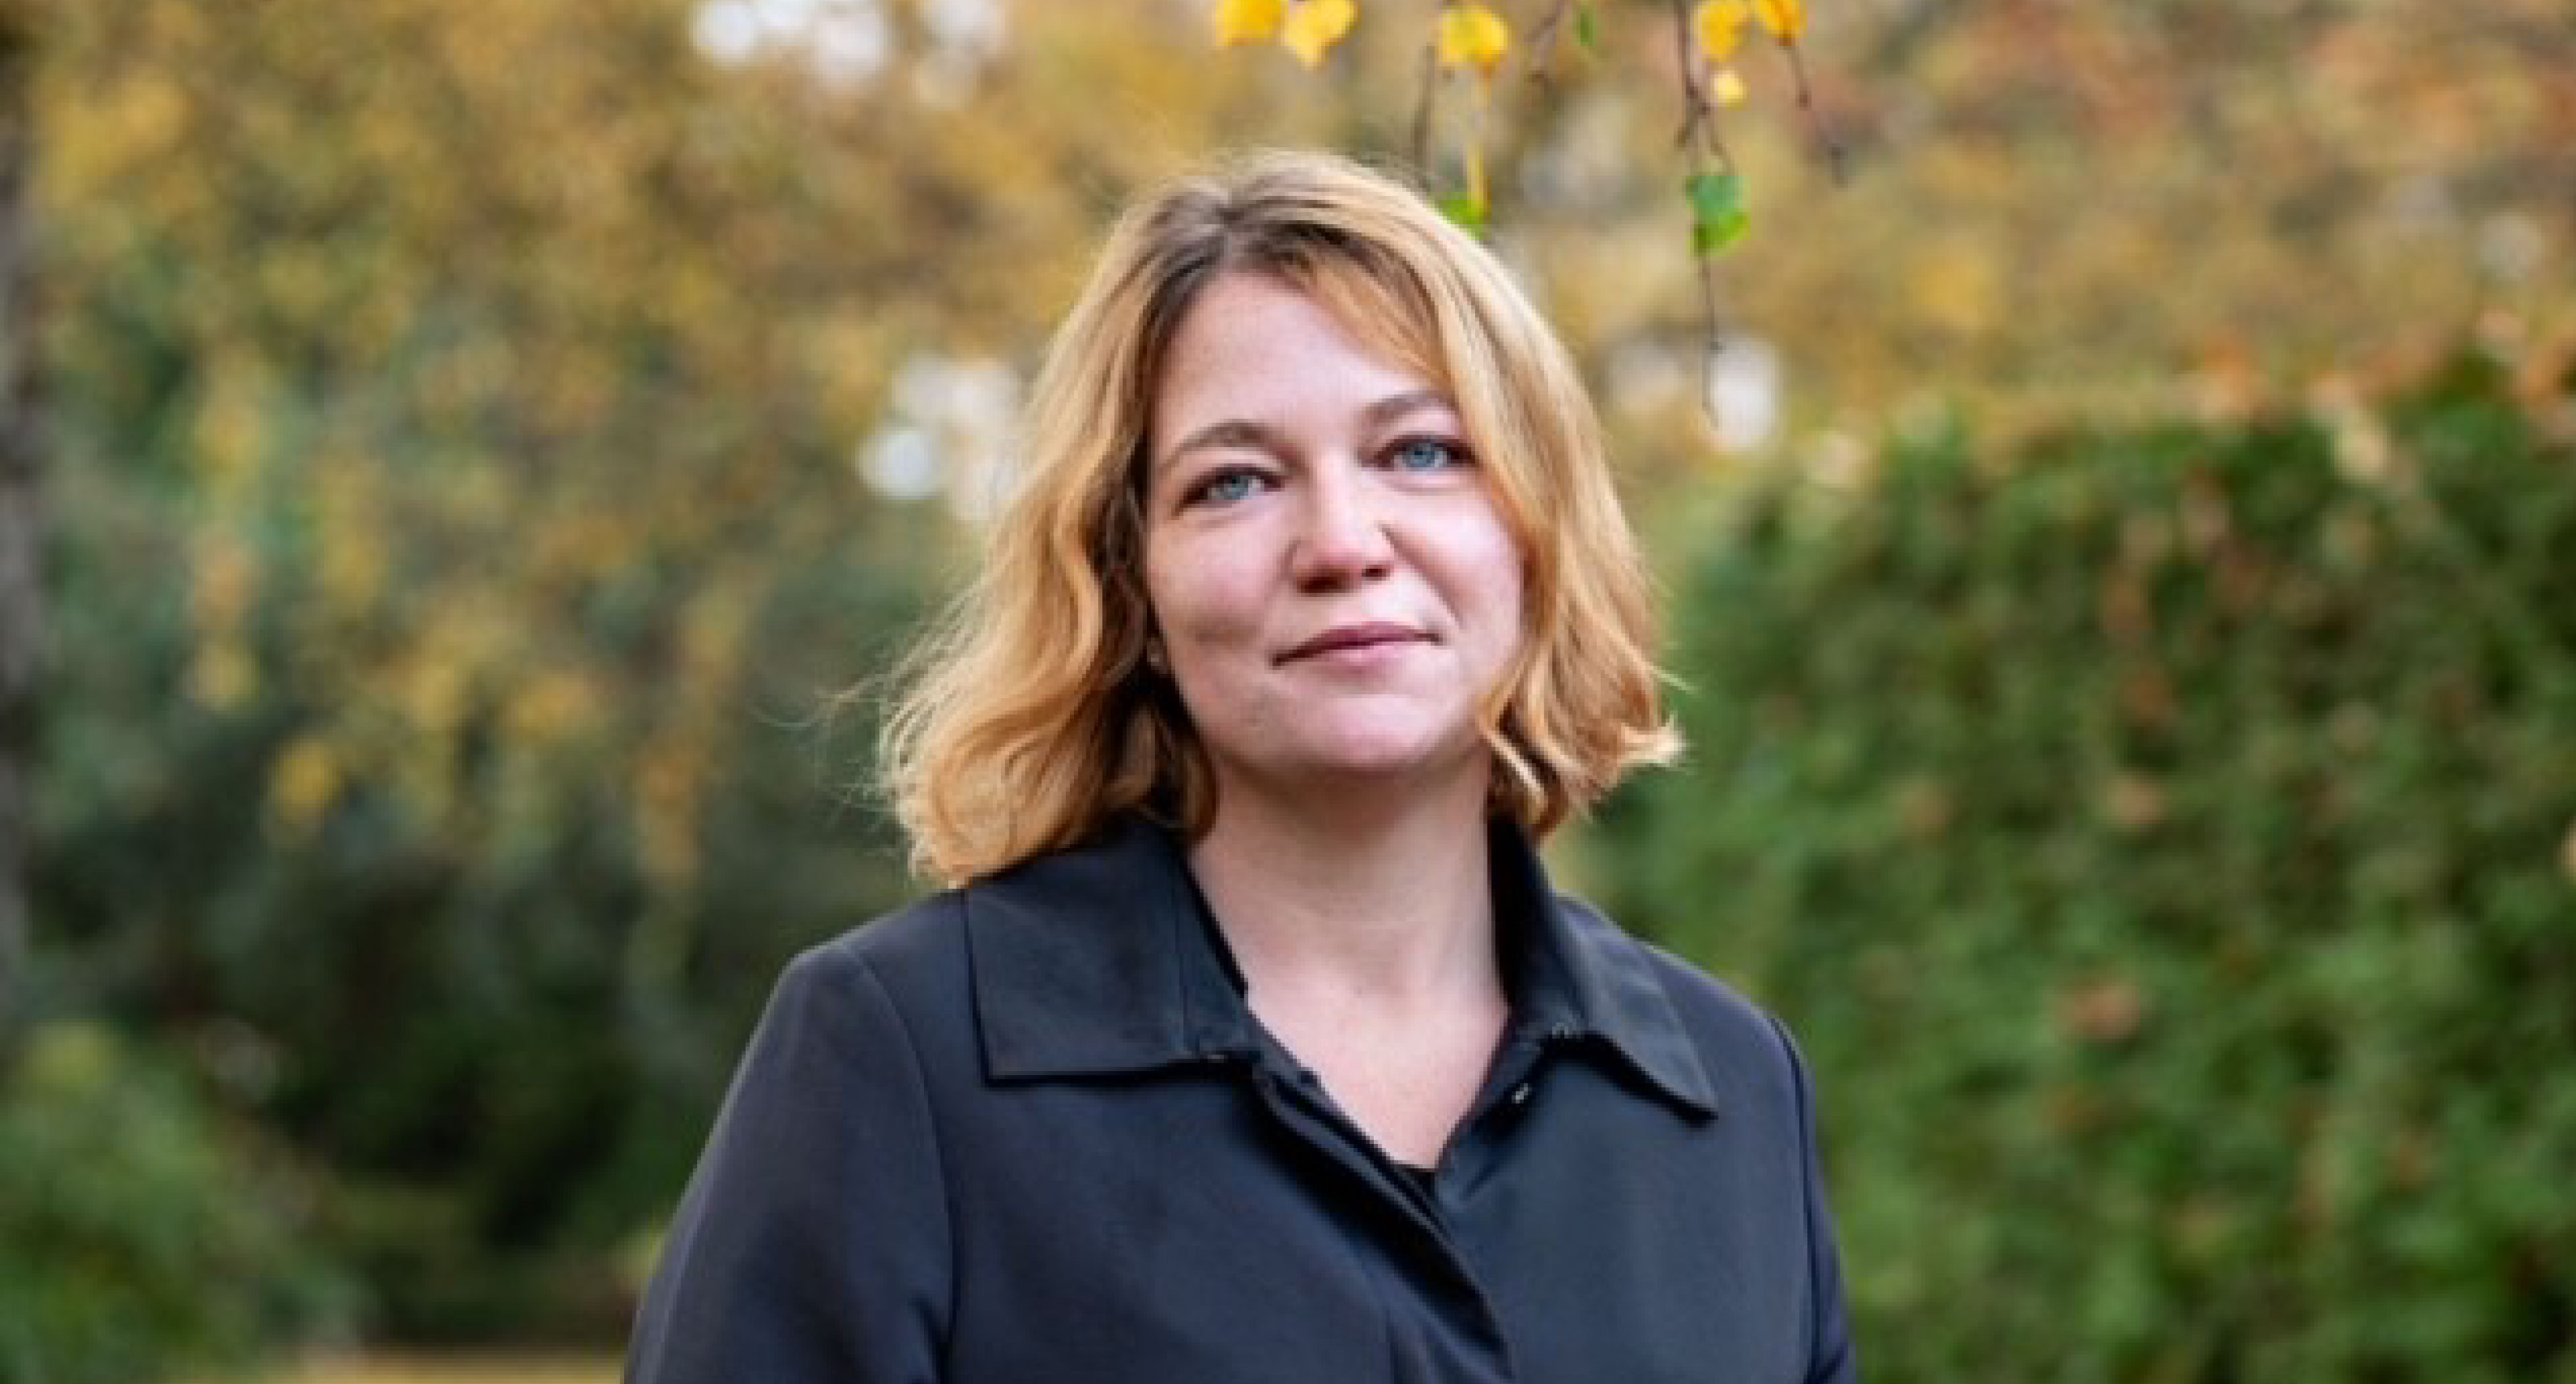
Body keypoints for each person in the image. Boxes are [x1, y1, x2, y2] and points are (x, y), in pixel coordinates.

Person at [627, 149, 1856, 1384]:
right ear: (1132, 590)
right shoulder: (901, 1054)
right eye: (1234, 482)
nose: (1341, 542)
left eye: (1420, 451)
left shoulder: (1734, 1091)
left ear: (1534, 533)